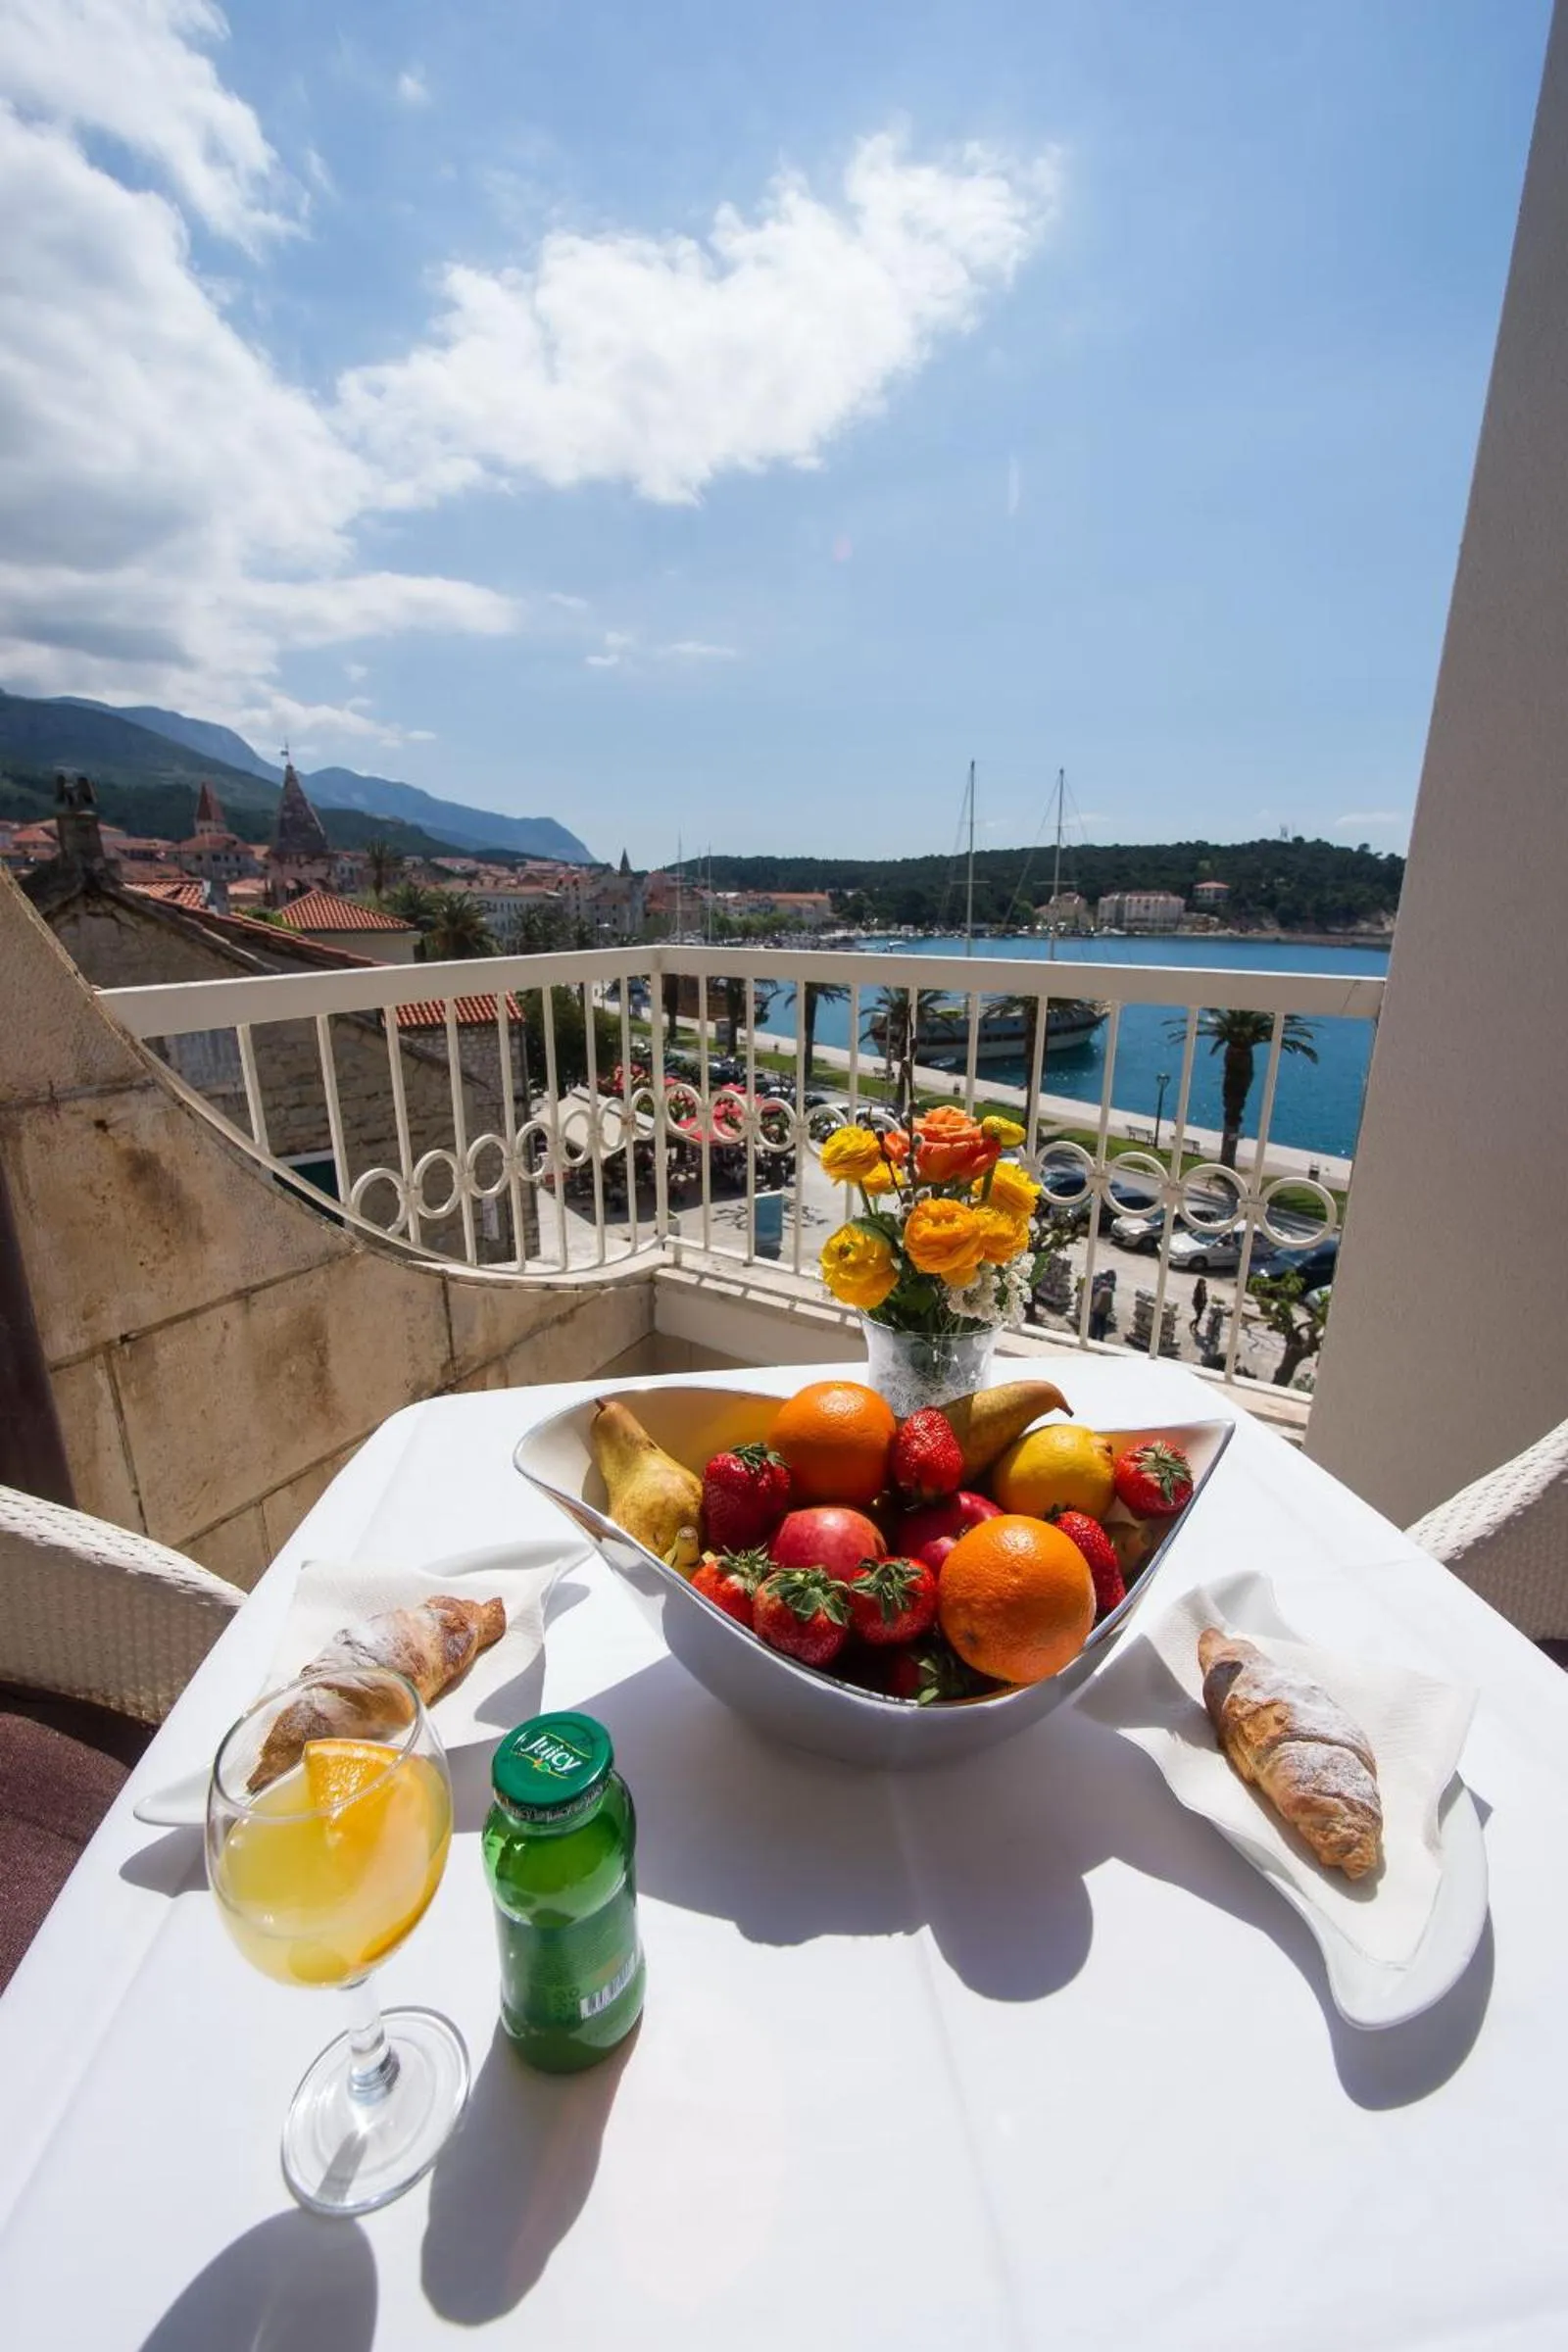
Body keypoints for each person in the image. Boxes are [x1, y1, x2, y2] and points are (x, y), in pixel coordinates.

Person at [1088, 1268, 1116, 1343]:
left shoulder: (1100, 1287)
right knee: (1102, 1323)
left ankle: (1093, 1337)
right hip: (1105, 1309)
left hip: (1098, 1308)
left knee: (1096, 1323)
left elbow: (1095, 1296)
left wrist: (1093, 1307)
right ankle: (1101, 1338)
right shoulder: (1109, 1288)